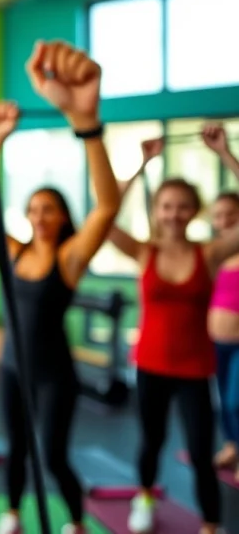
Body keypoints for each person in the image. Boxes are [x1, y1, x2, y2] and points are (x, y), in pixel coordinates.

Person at [0, 44, 120, 534]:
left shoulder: (70, 259)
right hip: (11, 368)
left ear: (63, 216)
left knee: (53, 453)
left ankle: (74, 519)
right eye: (33, 210)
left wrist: (87, 125)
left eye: (49, 210)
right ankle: (11, 513)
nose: (40, 217)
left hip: (54, 375)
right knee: (17, 450)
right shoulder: (16, 252)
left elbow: (108, 207)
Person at [108, 124, 239, 534]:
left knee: (202, 452)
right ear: (156, 210)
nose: (174, 214)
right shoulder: (143, 251)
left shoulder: (211, 252)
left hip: (196, 368)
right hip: (150, 364)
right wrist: (141, 165)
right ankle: (144, 496)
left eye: (183, 206)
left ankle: (212, 524)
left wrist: (225, 153)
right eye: (167, 206)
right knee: (151, 441)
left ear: (194, 210)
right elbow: (106, 217)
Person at [209, 189, 239, 480]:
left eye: (231, 213)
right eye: (218, 215)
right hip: (216, 341)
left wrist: (224, 154)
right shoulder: (215, 254)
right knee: (223, 401)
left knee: (235, 400)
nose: (225, 219)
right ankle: (232, 445)